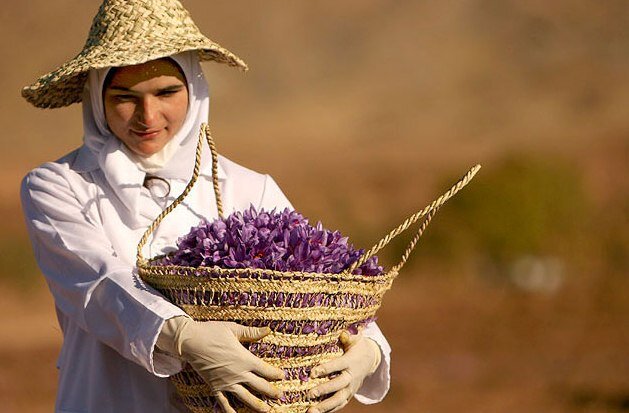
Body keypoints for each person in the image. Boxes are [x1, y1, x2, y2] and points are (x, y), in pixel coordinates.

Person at [20, 1, 392, 412]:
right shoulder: (58, 186)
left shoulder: (249, 188)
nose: (148, 115)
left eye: (166, 92)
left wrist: (369, 347)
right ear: (96, 98)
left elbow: (318, 286)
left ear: (194, 90)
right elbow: (97, 283)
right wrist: (184, 336)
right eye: (125, 97)